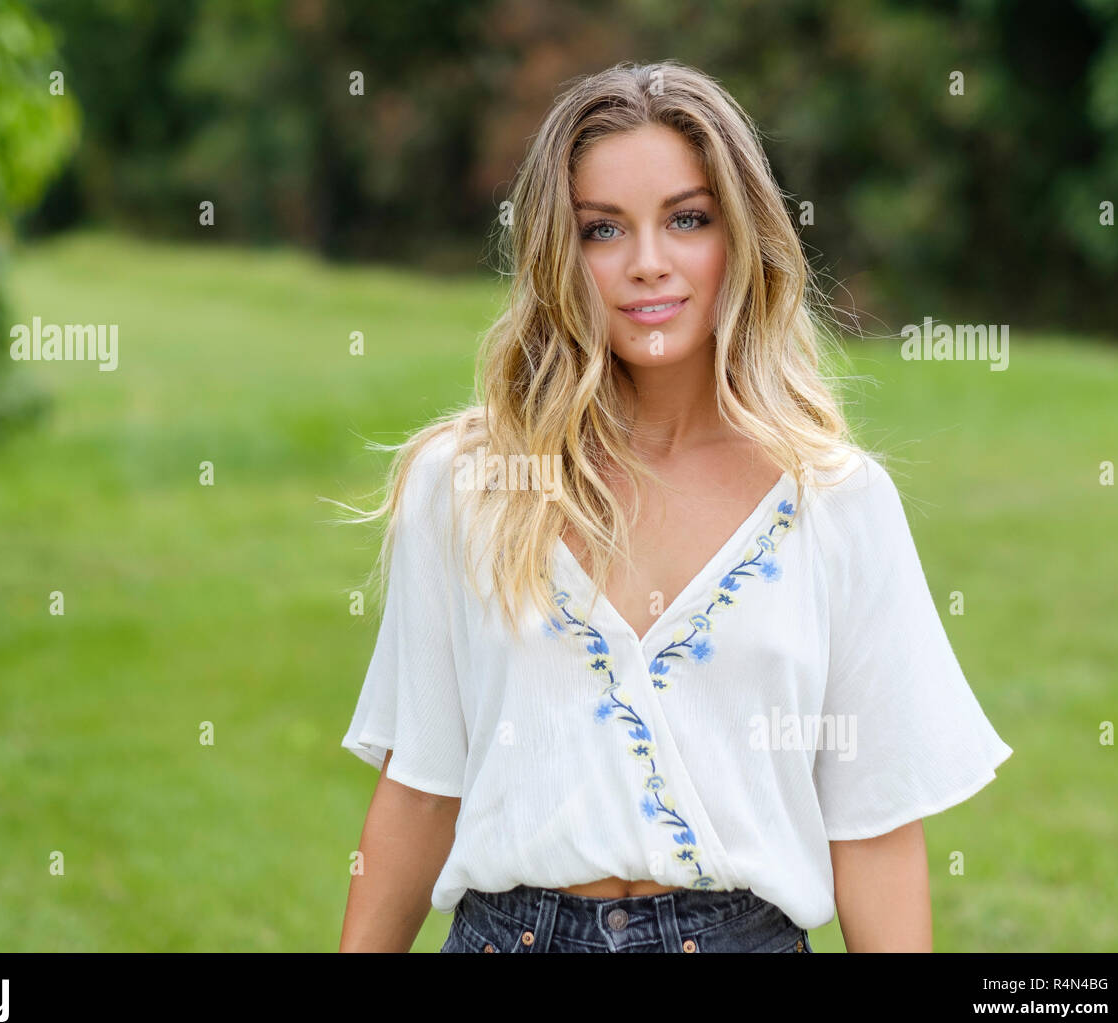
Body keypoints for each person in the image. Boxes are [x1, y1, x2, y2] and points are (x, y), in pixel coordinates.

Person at [334, 60, 1012, 953]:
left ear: (740, 235)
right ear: (555, 252)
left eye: (687, 220)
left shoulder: (836, 503)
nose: (647, 264)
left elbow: (875, 831)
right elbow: (422, 790)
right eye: (602, 229)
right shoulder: (468, 487)